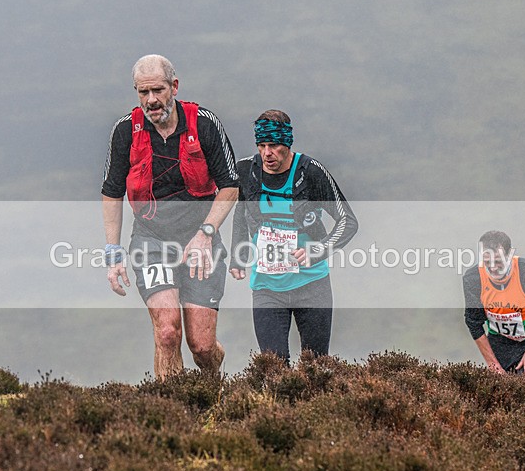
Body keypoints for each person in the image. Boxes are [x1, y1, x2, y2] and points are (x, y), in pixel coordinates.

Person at [101, 54, 239, 380]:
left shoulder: (204, 124)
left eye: (158, 90)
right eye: (142, 92)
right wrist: (112, 252)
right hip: (151, 240)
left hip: (200, 242)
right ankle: (171, 415)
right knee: (167, 332)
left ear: (174, 87)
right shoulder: (125, 131)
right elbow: (111, 193)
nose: (151, 100)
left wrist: (206, 233)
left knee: (202, 346)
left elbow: (231, 186)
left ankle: (212, 380)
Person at [229, 110, 358, 363]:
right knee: (273, 366)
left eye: (274, 146)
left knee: (317, 366)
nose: (267, 153)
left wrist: (318, 250)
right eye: (262, 145)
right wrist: (238, 254)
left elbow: (348, 221)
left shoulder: (310, 172)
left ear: (288, 144)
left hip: (312, 286)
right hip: (267, 288)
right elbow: (239, 212)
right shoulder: (247, 171)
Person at [462, 230, 525, 376]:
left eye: (498, 261)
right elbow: (473, 322)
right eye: (487, 262)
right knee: (498, 392)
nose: (492, 267)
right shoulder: (473, 279)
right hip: (498, 342)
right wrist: (493, 365)